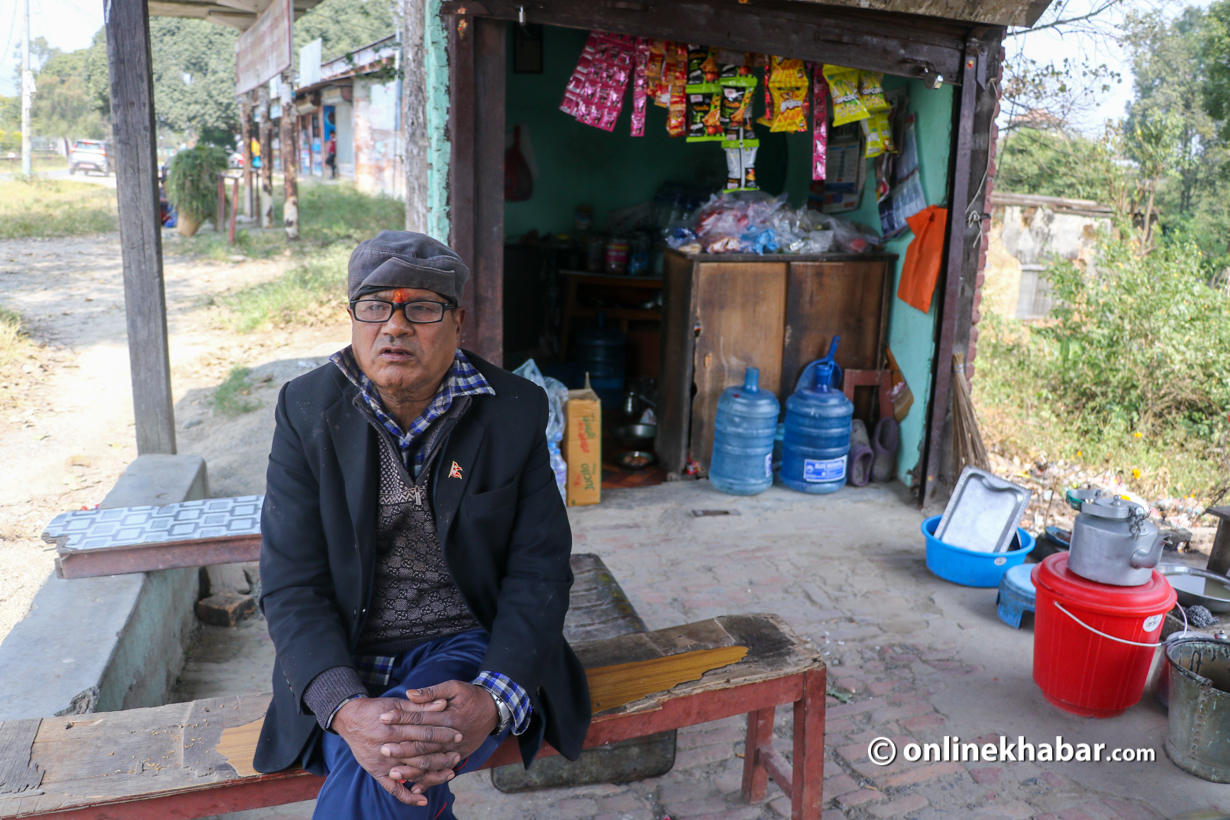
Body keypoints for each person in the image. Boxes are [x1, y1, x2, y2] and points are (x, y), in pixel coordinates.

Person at [254, 231, 591, 820]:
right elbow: (291, 584)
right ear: (354, 319)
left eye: (423, 309)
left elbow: (539, 571)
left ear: (459, 323)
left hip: (467, 648)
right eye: (375, 306)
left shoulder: (513, 409)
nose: (396, 326)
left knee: (396, 765)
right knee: (396, 773)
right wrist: (344, 707)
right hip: (349, 654)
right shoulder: (306, 411)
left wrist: (493, 697)